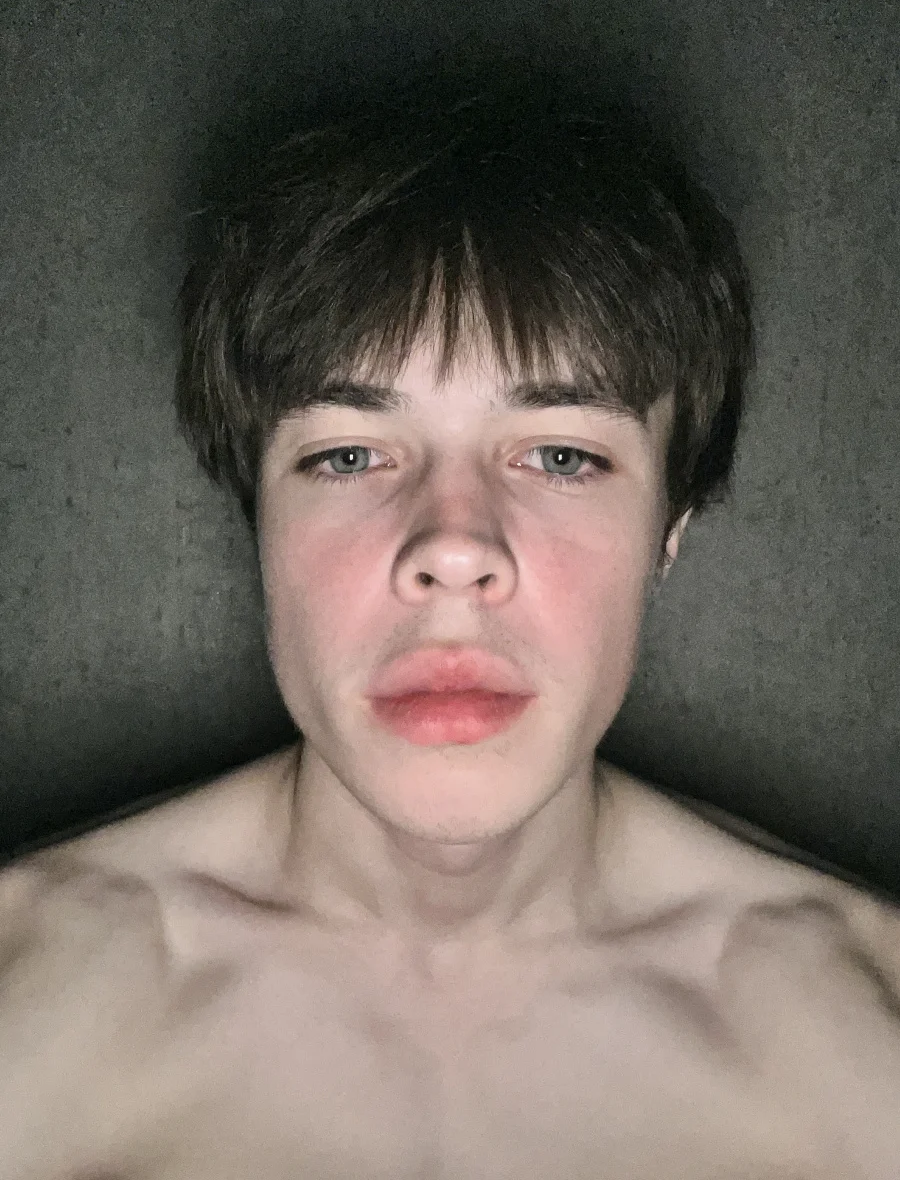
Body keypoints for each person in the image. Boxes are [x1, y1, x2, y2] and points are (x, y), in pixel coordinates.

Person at [1, 78, 898, 1179]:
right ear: (258, 519)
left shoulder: (868, 1044)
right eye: (348, 455)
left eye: (561, 455)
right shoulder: (27, 1000)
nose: (455, 547)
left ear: (670, 527)